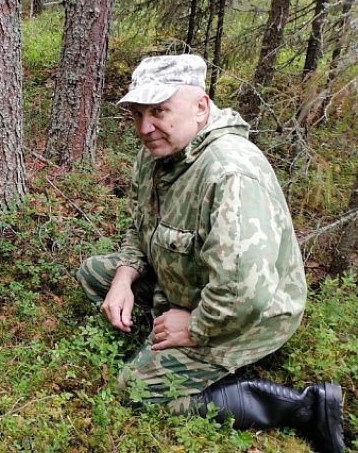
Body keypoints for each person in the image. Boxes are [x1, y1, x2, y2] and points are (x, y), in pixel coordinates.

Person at [76, 54, 343, 453]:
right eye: (138, 114)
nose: (145, 128)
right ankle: (162, 326)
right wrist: (123, 276)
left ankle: (303, 408)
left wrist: (194, 327)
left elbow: (244, 294)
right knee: (92, 274)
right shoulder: (158, 154)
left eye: (159, 111)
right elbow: (140, 227)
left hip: (246, 315)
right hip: (189, 283)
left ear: (200, 107)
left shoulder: (229, 172)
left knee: (134, 390)